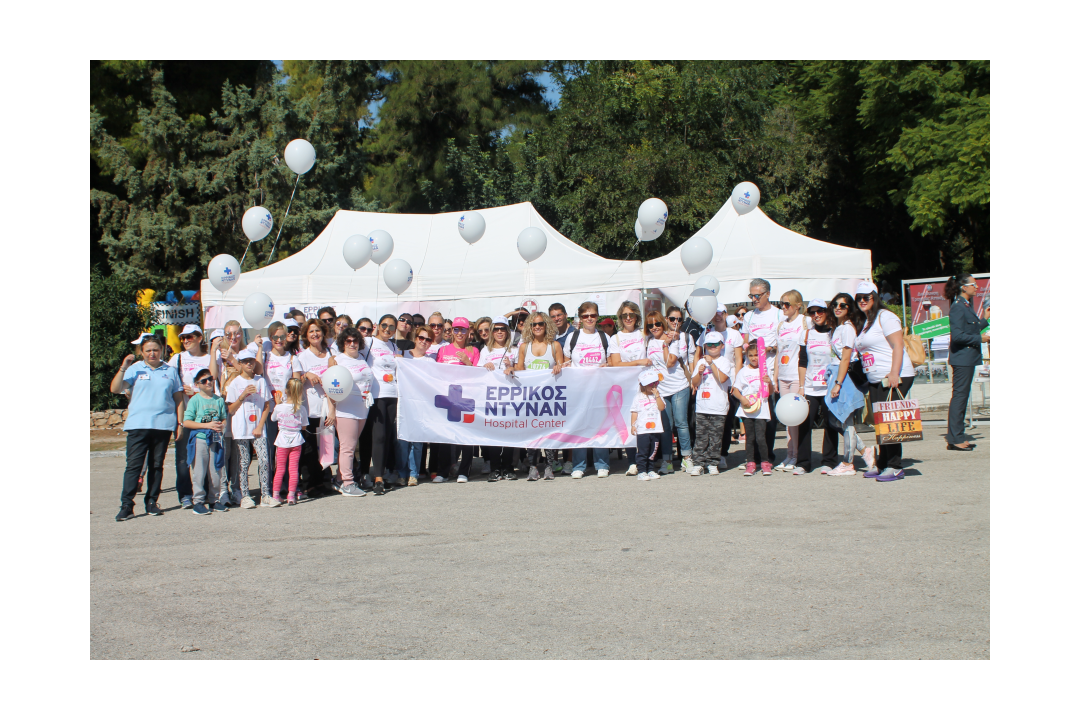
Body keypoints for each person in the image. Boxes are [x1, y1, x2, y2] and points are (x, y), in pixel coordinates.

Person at [111, 335, 185, 521]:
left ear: (161, 350)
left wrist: (180, 424)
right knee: (133, 466)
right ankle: (127, 505)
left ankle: (152, 501)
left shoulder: (170, 370)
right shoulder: (135, 369)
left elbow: (178, 400)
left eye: (156, 350)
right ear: (142, 352)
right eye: (148, 350)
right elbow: (115, 388)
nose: (152, 353)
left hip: (162, 425)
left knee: (156, 465)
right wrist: (123, 367)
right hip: (138, 425)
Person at [854, 281, 916, 481]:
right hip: (876, 378)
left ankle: (895, 465)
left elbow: (898, 345)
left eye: (866, 297)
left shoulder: (885, 316)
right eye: (859, 298)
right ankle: (882, 463)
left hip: (893, 376)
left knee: (890, 421)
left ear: (875, 297)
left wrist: (894, 373)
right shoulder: (867, 321)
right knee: (880, 423)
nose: (862, 301)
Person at [822, 292, 873, 475]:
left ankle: (848, 463)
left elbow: (846, 359)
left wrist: (838, 383)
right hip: (836, 374)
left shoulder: (848, 328)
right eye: (835, 304)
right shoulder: (838, 328)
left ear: (849, 309)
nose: (837, 307)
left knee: (845, 420)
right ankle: (865, 450)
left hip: (845, 377)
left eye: (842, 305)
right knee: (836, 419)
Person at [513, 311, 566, 479]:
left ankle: (550, 466)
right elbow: (520, 369)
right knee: (532, 434)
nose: (537, 327)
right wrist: (510, 369)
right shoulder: (524, 347)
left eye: (540, 324)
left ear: (546, 325)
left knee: (549, 432)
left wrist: (559, 367)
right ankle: (533, 467)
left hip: (549, 398)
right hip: (530, 398)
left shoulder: (554, 345)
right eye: (533, 324)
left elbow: (563, 366)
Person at [793, 299, 840, 476]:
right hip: (811, 386)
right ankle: (803, 462)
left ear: (827, 312)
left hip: (829, 387)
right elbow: (802, 362)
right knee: (804, 424)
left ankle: (829, 461)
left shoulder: (834, 333)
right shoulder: (806, 335)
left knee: (831, 424)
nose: (816, 315)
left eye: (820, 311)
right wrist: (801, 385)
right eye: (812, 312)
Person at [565, 302, 611, 479]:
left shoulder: (604, 337)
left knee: (600, 426)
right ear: (581, 318)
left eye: (592, 315)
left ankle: (602, 464)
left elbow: (612, 362)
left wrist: (607, 365)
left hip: (599, 389)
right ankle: (579, 465)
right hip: (579, 390)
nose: (589, 318)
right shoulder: (573, 337)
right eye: (585, 316)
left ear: (597, 317)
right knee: (580, 426)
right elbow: (566, 361)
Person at [168, 324, 211, 509]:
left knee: (206, 455)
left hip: (206, 414)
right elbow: (168, 384)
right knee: (183, 457)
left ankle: (207, 492)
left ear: (199, 338)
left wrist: (195, 389)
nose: (185, 341)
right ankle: (185, 494)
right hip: (185, 414)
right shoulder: (176, 358)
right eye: (183, 338)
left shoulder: (209, 358)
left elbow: (215, 385)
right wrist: (180, 390)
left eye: (190, 337)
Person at [741, 279, 784, 468]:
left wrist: (770, 348)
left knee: (768, 417)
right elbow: (745, 341)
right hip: (751, 373)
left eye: (757, 295)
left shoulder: (778, 314)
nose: (754, 299)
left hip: (769, 371)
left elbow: (783, 342)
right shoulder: (749, 316)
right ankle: (752, 457)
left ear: (768, 294)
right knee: (750, 415)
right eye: (751, 295)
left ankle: (767, 457)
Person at [944, 274, 990, 451]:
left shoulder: (966, 306)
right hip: (962, 358)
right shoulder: (958, 307)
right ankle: (955, 438)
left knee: (962, 397)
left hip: (967, 358)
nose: (976, 287)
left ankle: (957, 435)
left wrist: (984, 319)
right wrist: (980, 338)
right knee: (960, 397)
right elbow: (958, 336)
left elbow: (970, 329)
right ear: (964, 287)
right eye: (973, 284)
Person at [327, 326, 373, 495]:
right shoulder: (338, 360)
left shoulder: (362, 358)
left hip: (362, 408)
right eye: (348, 341)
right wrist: (332, 410)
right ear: (343, 343)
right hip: (345, 409)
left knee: (351, 446)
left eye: (355, 340)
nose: (352, 344)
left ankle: (340, 479)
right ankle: (347, 483)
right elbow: (330, 387)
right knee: (348, 447)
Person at [434, 317, 480, 483]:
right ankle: (443, 472)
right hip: (448, 397)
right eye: (456, 329)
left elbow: (478, 376)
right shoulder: (444, 350)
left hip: (466, 397)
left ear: (468, 332)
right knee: (446, 436)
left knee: (466, 435)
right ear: (452, 331)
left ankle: (464, 472)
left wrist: (468, 363)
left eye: (463, 330)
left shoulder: (473, 351)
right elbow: (437, 373)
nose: (459, 333)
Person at [225, 349, 273, 508]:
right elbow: (231, 410)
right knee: (243, 463)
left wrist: (260, 426)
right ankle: (244, 496)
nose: (249, 364)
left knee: (264, 460)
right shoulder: (235, 383)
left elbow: (267, 405)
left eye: (251, 361)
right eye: (245, 361)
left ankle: (266, 494)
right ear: (240, 363)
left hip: (258, 429)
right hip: (241, 429)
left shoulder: (261, 381)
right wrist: (243, 395)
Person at [292, 318, 332, 497]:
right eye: (311, 332)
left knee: (327, 445)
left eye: (318, 331)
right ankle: (310, 484)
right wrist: (306, 374)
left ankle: (325, 481)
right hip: (310, 408)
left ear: (323, 333)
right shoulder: (302, 356)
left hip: (328, 407)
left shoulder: (331, 353)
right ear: (306, 336)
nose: (315, 334)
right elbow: (296, 381)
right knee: (309, 449)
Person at [181, 368, 228, 515]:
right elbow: (187, 422)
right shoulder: (195, 400)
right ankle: (198, 501)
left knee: (215, 471)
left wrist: (221, 425)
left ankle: (214, 499)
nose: (208, 382)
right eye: (204, 381)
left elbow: (223, 417)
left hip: (215, 439)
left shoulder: (218, 400)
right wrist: (206, 425)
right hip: (200, 439)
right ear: (197, 384)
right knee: (199, 472)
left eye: (210, 379)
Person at [477, 317, 518, 481]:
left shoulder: (513, 350)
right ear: (492, 332)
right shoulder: (485, 351)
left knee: (508, 432)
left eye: (503, 329)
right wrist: (484, 367)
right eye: (496, 329)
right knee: (493, 433)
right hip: (491, 398)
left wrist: (512, 367)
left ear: (508, 331)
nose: (499, 332)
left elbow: (521, 370)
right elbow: (477, 372)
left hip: (510, 398)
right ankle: (495, 468)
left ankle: (508, 467)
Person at [367, 315, 403, 494]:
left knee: (388, 436)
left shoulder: (394, 346)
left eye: (391, 327)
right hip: (377, 395)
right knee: (378, 436)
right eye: (384, 325)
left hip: (393, 395)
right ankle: (378, 478)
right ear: (378, 326)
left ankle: (383, 473)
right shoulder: (369, 342)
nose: (387, 329)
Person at [689, 331, 733, 475]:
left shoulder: (725, 362)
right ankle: (698, 463)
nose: (712, 347)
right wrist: (700, 372)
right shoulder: (701, 362)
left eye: (716, 344)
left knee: (716, 437)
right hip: (702, 405)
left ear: (722, 345)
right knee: (701, 436)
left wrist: (711, 364)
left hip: (718, 406)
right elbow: (694, 383)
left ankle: (713, 462)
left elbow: (722, 379)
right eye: (709, 345)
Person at [774, 291, 807, 472]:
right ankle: (790, 454)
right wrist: (775, 376)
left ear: (797, 305)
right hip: (783, 375)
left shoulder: (804, 321)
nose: (783, 307)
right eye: (781, 304)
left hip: (796, 375)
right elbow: (779, 352)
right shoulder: (781, 325)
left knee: (796, 417)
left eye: (787, 304)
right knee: (786, 418)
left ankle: (797, 455)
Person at [731, 342, 774, 476]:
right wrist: (742, 399)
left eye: (756, 355)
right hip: (747, 409)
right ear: (747, 356)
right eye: (751, 355)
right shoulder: (744, 371)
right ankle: (750, 463)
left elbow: (771, 391)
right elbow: (735, 390)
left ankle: (765, 462)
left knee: (761, 437)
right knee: (750, 438)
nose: (754, 358)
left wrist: (769, 383)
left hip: (761, 409)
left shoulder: (765, 371)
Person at [262, 321, 294, 484]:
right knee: (269, 448)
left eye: (282, 336)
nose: (279, 340)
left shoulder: (292, 357)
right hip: (269, 409)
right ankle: (267, 485)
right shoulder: (265, 355)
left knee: (286, 448)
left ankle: (286, 484)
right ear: (270, 337)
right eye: (275, 336)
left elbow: (295, 383)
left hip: (286, 410)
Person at [270, 378, 307, 506]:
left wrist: (277, 404)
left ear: (286, 391)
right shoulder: (301, 409)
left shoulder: (280, 407)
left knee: (280, 468)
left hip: (282, 441)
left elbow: (273, 418)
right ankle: (291, 495)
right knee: (293, 469)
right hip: (296, 440)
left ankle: (275, 495)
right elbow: (304, 426)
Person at [630, 368, 666, 481]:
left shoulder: (658, 396)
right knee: (643, 451)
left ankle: (650, 470)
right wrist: (633, 425)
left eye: (655, 383)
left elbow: (662, 407)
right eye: (650, 384)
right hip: (642, 430)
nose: (653, 386)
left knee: (652, 452)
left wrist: (657, 396)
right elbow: (634, 412)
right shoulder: (638, 397)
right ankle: (641, 471)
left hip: (656, 429)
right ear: (644, 385)